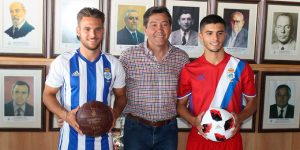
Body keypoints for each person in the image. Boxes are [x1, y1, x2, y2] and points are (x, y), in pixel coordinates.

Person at [43, 7, 126, 150]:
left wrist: (115, 114)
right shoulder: (63, 62)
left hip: (104, 142)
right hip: (70, 142)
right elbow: (47, 95)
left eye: (97, 29)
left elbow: (121, 96)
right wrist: (65, 115)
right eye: (87, 29)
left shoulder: (114, 64)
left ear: (103, 31)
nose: (92, 35)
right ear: (77, 31)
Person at [177, 14, 257, 150]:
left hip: (231, 138)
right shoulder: (190, 69)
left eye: (219, 33)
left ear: (225, 35)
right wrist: (194, 121)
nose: (215, 38)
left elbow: (253, 103)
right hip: (199, 138)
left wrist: (239, 118)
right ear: (201, 36)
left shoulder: (241, 67)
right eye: (209, 33)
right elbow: (180, 106)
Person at [119, 6, 190, 150]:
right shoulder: (128, 56)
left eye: (164, 24)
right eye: (153, 25)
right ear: (145, 28)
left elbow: (188, 93)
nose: (160, 30)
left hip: (168, 129)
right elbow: (114, 90)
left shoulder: (182, 58)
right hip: (135, 128)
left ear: (170, 28)